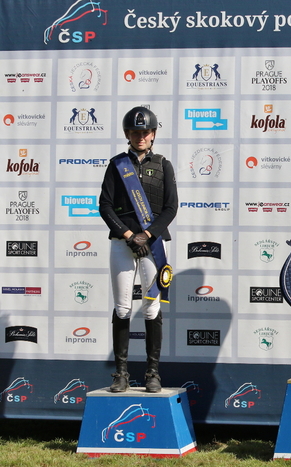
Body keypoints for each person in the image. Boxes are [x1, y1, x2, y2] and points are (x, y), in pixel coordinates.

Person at [99, 106, 178, 393]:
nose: (140, 137)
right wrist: (129, 235)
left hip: (153, 244)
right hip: (123, 243)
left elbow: (171, 208)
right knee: (122, 307)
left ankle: (152, 373)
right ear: (127, 134)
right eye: (135, 132)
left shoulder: (164, 165)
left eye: (145, 132)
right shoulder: (116, 165)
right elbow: (105, 205)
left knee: (151, 307)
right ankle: (120, 374)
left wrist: (147, 234)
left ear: (153, 134)